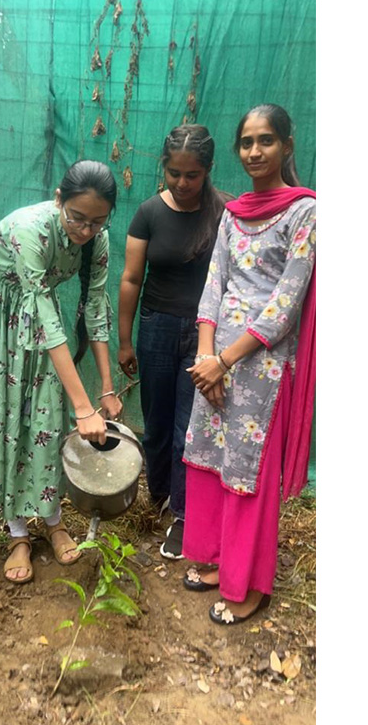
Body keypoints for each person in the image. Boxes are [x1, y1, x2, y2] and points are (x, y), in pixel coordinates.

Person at [0, 160, 124, 584]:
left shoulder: (98, 237)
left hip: (40, 309)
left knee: (48, 417)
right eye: (77, 218)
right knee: (9, 414)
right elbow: (47, 320)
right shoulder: (30, 230)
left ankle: (52, 519)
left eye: (97, 222)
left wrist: (106, 389)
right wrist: (84, 407)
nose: (85, 230)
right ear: (58, 199)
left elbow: (95, 305)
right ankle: (17, 533)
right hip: (1, 316)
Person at [181, 104, 315, 626]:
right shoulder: (234, 213)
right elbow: (214, 283)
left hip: (262, 364)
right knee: (210, 456)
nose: (254, 151)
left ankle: (251, 584)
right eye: (246, 142)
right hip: (214, 357)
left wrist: (225, 360)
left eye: (266, 141)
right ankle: (218, 559)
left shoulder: (305, 212)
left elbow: (286, 304)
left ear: (286, 145)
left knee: (247, 469)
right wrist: (205, 357)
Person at [117, 125, 230, 560]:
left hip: (206, 334)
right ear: (163, 167)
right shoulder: (148, 212)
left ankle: (183, 516)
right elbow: (131, 278)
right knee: (157, 425)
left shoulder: (223, 213)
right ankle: (160, 494)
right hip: (156, 327)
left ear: (208, 170)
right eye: (174, 173)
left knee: (189, 429)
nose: (182, 183)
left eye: (192, 175)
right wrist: (125, 341)